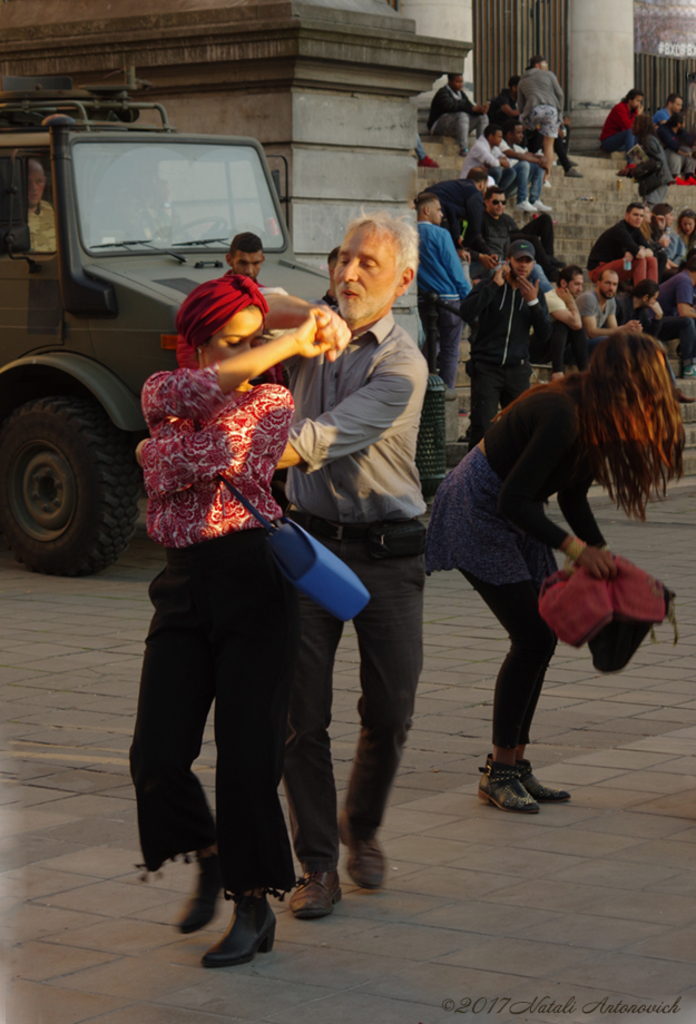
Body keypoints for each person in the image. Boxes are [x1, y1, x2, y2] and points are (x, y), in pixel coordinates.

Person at [129, 274, 350, 968]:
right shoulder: (163, 387)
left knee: (249, 759)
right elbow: (190, 408)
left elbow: (206, 457)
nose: (244, 355)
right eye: (228, 343)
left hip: (254, 581)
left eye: (251, 343)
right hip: (181, 584)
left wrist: (153, 453)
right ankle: (211, 853)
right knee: (156, 755)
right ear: (195, 342)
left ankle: (254, 907)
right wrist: (292, 325)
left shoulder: (275, 399)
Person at [426, 331, 684, 812]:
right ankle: (499, 772)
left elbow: (570, 494)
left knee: (539, 637)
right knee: (533, 637)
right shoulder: (563, 412)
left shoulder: (594, 413)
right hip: (477, 507)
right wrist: (575, 549)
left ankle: (515, 765)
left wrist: (602, 554)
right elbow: (514, 499)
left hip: (516, 511)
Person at [279, 212, 429, 919]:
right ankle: (316, 864)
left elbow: (318, 440)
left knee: (391, 710)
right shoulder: (313, 330)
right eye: (343, 259)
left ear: (401, 280)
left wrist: (226, 452)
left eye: (368, 264)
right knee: (299, 716)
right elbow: (249, 301)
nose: (348, 274)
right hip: (309, 547)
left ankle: (360, 826)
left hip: (388, 554)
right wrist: (300, 320)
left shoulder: (403, 366)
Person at [459, 239, 551, 447]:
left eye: (528, 261)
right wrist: (493, 285)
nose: (523, 265)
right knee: (483, 429)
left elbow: (545, 335)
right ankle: (475, 477)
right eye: (519, 260)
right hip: (487, 368)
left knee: (520, 429)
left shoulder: (536, 294)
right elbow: (466, 312)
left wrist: (533, 303)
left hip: (517, 370)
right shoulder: (489, 286)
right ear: (508, 261)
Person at [416, 192, 471, 389]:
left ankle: (420, 386)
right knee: (450, 350)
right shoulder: (441, 234)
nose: (442, 215)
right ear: (426, 210)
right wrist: (469, 298)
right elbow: (454, 269)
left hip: (424, 300)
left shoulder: (408, 233)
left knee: (432, 343)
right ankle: (446, 394)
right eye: (439, 210)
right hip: (449, 298)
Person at [468, 185, 556, 288]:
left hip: (506, 260)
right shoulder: (479, 219)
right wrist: (490, 255)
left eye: (503, 202)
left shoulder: (506, 220)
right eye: (496, 202)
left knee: (536, 268)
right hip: (488, 262)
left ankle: (550, 297)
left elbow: (514, 240)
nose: (500, 205)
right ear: (486, 202)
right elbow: (478, 242)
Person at [536, 264, 589, 378]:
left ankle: (585, 372)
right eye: (576, 284)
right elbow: (577, 324)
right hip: (534, 348)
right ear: (564, 283)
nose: (580, 289)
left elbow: (577, 327)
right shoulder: (552, 298)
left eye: (581, 285)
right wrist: (571, 303)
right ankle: (557, 372)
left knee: (574, 326)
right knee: (564, 324)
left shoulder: (565, 299)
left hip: (553, 348)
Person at [587, 201, 658, 285]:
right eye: (635, 215)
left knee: (652, 260)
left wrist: (637, 251)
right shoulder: (620, 229)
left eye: (641, 216)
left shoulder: (636, 230)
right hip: (597, 270)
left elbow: (651, 252)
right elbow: (640, 255)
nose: (638, 218)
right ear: (627, 216)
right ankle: (641, 295)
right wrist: (638, 251)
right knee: (639, 261)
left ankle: (652, 293)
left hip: (615, 267)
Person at [516, 55, 564, 177]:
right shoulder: (549, 75)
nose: (547, 67)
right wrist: (560, 115)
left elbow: (520, 105)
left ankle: (516, 147)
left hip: (533, 110)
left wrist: (525, 119)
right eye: (545, 65)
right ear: (537, 65)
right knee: (549, 144)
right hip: (551, 111)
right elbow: (560, 95)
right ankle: (545, 178)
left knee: (520, 128)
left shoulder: (522, 80)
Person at [577, 267, 639, 353]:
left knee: (630, 341)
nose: (611, 288)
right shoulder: (589, 298)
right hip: (576, 346)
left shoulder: (611, 300)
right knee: (607, 341)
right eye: (607, 283)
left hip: (591, 345)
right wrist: (623, 328)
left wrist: (632, 331)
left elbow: (614, 330)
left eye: (614, 284)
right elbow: (591, 333)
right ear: (598, 283)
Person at [428, 72, 490, 156]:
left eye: (462, 82)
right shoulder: (442, 93)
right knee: (462, 115)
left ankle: (482, 148)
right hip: (438, 126)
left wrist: (479, 110)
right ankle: (464, 148)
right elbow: (451, 106)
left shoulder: (461, 93)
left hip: (455, 124)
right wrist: (472, 108)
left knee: (483, 117)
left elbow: (469, 107)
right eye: (458, 82)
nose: (461, 84)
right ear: (450, 81)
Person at [427, 168, 488, 250]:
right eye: (486, 186)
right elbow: (475, 227)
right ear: (481, 184)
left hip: (423, 207)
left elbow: (453, 214)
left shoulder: (456, 185)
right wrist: (464, 244)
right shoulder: (474, 192)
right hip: (437, 210)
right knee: (446, 248)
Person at [500, 120, 550, 214]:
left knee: (536, 166)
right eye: (519, 133)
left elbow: (530, 155)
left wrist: (542, 158)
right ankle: (521, 200)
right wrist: (540, 161)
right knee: (524, 164)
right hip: (503, 186)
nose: (522, 135)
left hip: (513, 186)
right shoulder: (501, 143)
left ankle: (534, 200)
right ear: (509, 134)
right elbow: (519, 156)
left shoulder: (515, 147)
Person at [657, 254, 696, 377]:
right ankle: (689, 366)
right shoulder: (684, 280)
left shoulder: (689, 282)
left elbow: (691, 309)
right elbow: (684, 312)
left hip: (667, 320)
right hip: (653, 323)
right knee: (688, 321)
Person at [632, 114, 673, 207]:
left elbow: (656, 162)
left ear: (642, 126)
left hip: (658, 180)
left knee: (651, 208)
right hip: (657, 180)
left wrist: (636, 170)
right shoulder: (647, 139)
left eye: (635, 124)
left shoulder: (649, 140)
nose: (632, 126)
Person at [460, 124, 515, 192]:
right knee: (496, 170)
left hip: (482, 175)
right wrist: (500, 161)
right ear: (491, 136)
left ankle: (497, 194)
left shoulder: (495, 148)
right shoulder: (479, 146)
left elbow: (509, 163)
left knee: (511, 172)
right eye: (499, 137)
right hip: (470, 178)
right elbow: (494, 163)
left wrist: (498, 162)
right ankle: (491, 195)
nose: (501, 140)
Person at [599, 89, 643, 159]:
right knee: (630, 132)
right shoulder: (620, 108)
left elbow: (636, 128)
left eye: (640, 101)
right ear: (630, 100)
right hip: (608, 142)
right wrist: (637, 115)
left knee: (643, 135)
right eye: (637, 101)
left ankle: (641, 162)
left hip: (622, 143)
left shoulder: (633, 111)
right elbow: (628, 126)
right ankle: (630, 163)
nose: (639, 104)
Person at [27, 157, 56, 252]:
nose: (34, 187)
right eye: (28, 182)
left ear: (44, 182)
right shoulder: (9, 216)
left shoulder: (54, 210)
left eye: (39, 181)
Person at [656, 114, 696, 179]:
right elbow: (672, 144)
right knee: (675, 151)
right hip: (663, 158)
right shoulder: (663, 130)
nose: (685, 125)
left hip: (675, 159)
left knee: (690, 151)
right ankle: (675, 177)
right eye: (684, 123)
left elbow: (689, 139)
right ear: (678, 124)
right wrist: (682, 150)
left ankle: (689, 176)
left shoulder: (679, 131)